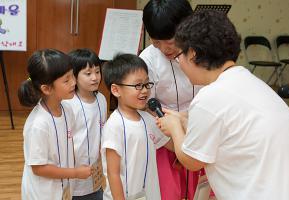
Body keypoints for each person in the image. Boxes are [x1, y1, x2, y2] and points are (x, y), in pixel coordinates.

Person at [157, 10, 289, 200]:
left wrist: (174, 128)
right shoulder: (250, 81)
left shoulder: (210, 97)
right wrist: (185, 119)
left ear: (192, 54)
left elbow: (192, 161)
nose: (179, 63)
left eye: (179, 56)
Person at [139, 0, 201, 199]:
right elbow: (145, 106)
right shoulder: (148, 59)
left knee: (201, 190)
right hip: (163, 136)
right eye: (156, 42)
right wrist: (174, 143)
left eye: (169, 42)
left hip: (201, 130)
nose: (164, 49)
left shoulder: (204, 53)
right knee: (168, 192)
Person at [18, 49, 92, 200]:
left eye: (72, 75)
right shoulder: (38, 125)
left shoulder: (67, 109)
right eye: (66, 80)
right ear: (46, 88)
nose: (73, 82)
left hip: (62, 188)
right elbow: (39, 168)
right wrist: (76, 173)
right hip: (43, 193)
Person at [101, 54, 173, 200]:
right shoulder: (115, 125)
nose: (145, 90)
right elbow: (113, 173)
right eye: (138, 85)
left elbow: (171, 144)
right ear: (116, 90)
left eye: (147, 84)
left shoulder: (148, 119)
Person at [65, 48, 107, 200]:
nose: (95, 77)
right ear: (73, 76)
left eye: (97, 71)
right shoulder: (68, 104)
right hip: (73, 173)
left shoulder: (101, 99)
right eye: (88, 74)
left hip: (95, 174)